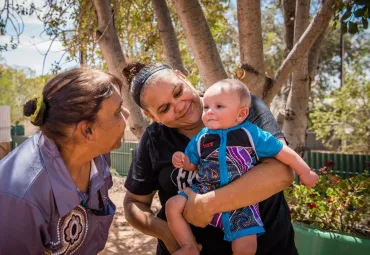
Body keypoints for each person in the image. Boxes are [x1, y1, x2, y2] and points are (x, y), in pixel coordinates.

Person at [122, 62, 299, 255]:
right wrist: (168, 234)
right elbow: (134, 203)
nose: (180, 106)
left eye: (178, 92)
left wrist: (208, 204)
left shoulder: (240, 107)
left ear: (182, 76)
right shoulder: (154, 139)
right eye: (165, 108)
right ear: (152, 116)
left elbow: (282, 172)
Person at [0, 67, 130, 255]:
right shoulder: (18, 197)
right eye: (117, 112)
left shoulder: (97, 156)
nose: (127, 114)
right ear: (87, 131)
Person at [167, 79, 319, 255]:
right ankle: (189, 246)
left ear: (241, 114)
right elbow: (193, 165)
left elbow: (283, 152)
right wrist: (182, 161)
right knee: (173, 205)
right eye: (206, 107)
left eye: (219, 107)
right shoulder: (202, 137)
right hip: (202, 191)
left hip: (241, 204)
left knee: (246, 246)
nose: (209, 112)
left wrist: (304, 171)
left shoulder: (251, 133)